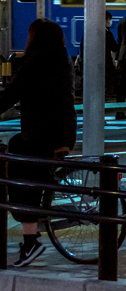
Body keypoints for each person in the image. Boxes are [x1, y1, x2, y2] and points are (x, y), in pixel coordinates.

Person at [0, 19, 77, 267]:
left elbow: (13, 92)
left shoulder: (38, 60)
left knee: (22, 182)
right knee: (15, 146)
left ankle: (31, 241)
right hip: (59, 133)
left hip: (43, 135)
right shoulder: (60, 58)